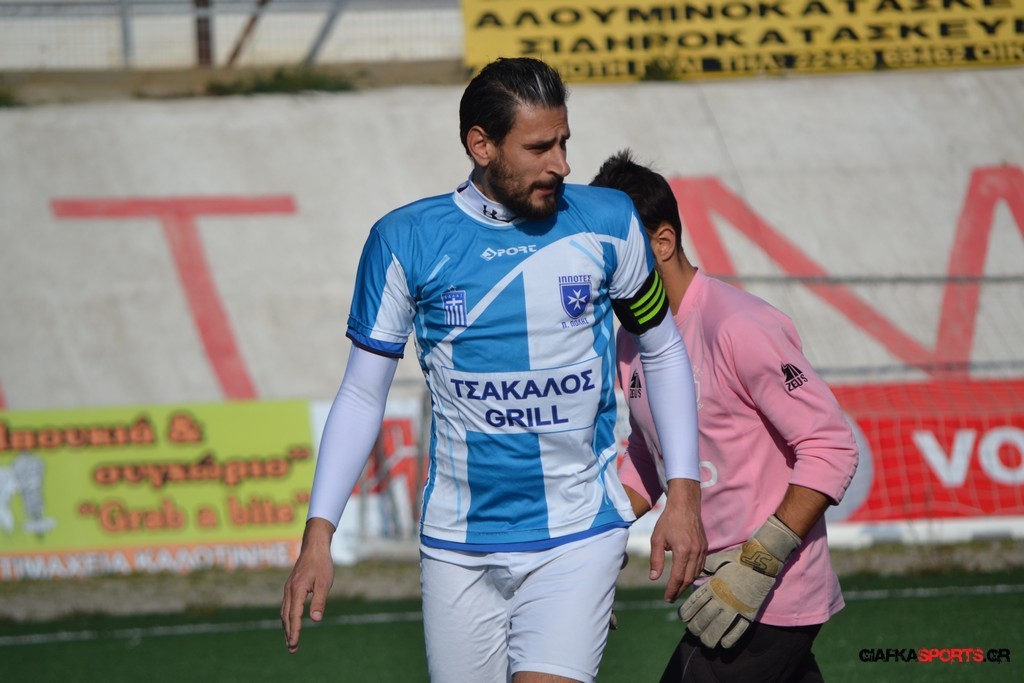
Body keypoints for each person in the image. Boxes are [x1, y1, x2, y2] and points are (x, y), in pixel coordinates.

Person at [280, 59, 707, 683]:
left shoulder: (612, 222)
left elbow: (662, 349)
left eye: (564, 142)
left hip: (578, 532)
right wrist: (318, 536)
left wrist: (684, 493)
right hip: (458, 545)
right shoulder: (404, 240)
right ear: (481, 145)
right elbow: (362, 394)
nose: (561, 164)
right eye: (539, 148)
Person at [590, 150, 858, 682]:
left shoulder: (739, 326)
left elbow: (831, 447)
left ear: (662, 243)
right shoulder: (629, 340)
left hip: (769, 592)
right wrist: (591, 546)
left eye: (609, 254)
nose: (596, 273)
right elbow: (647, 456)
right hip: (717, 590)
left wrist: (760, 562)